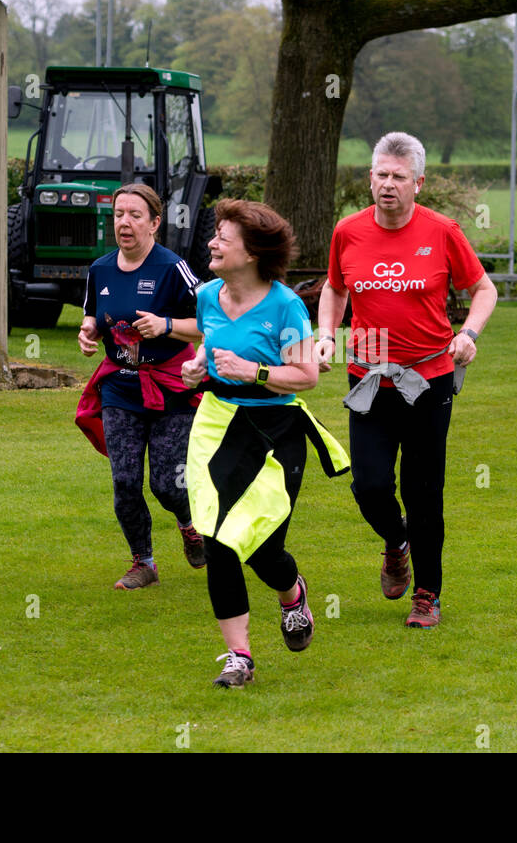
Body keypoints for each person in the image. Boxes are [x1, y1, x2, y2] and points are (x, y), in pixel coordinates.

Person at [316, 131, 498, 629]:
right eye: (380, 175)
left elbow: (484, 288)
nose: (388, 184)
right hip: (369, 380)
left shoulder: (442, 231)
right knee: (369, 485)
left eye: (399, 177)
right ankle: (396, 543)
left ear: (418, 183)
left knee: (423, 492)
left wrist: (469, 333)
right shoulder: (348, 232)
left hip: (429, 380)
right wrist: (326, 334)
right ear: (369, 178)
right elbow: (334, 289)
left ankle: (427, 594)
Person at [181, 199, 349, 688]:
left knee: (262, 547)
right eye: (215, 232)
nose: (212, 242)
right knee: (217, 539)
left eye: (223, 237)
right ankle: (239, 657)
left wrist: (252, 371)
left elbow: (307, 376)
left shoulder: (285, 306)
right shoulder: (209, 296)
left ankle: (292, 592)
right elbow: (209, 349)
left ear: (252, 253)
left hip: (275, 432)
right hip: (215, 425)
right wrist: (198, 367)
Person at [76, 183, 206, 591]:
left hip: (171, 386)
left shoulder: (172, 268)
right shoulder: (100, 270)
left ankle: (189, 525)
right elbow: (94, 316)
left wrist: (167, 325)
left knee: (167, 483)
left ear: (154, 222)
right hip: (120, 388)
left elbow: (207, 324)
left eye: (134, 215)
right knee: (125, 481)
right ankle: (143, 563)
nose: (124, 223)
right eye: (118, 215)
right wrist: (88, 333)